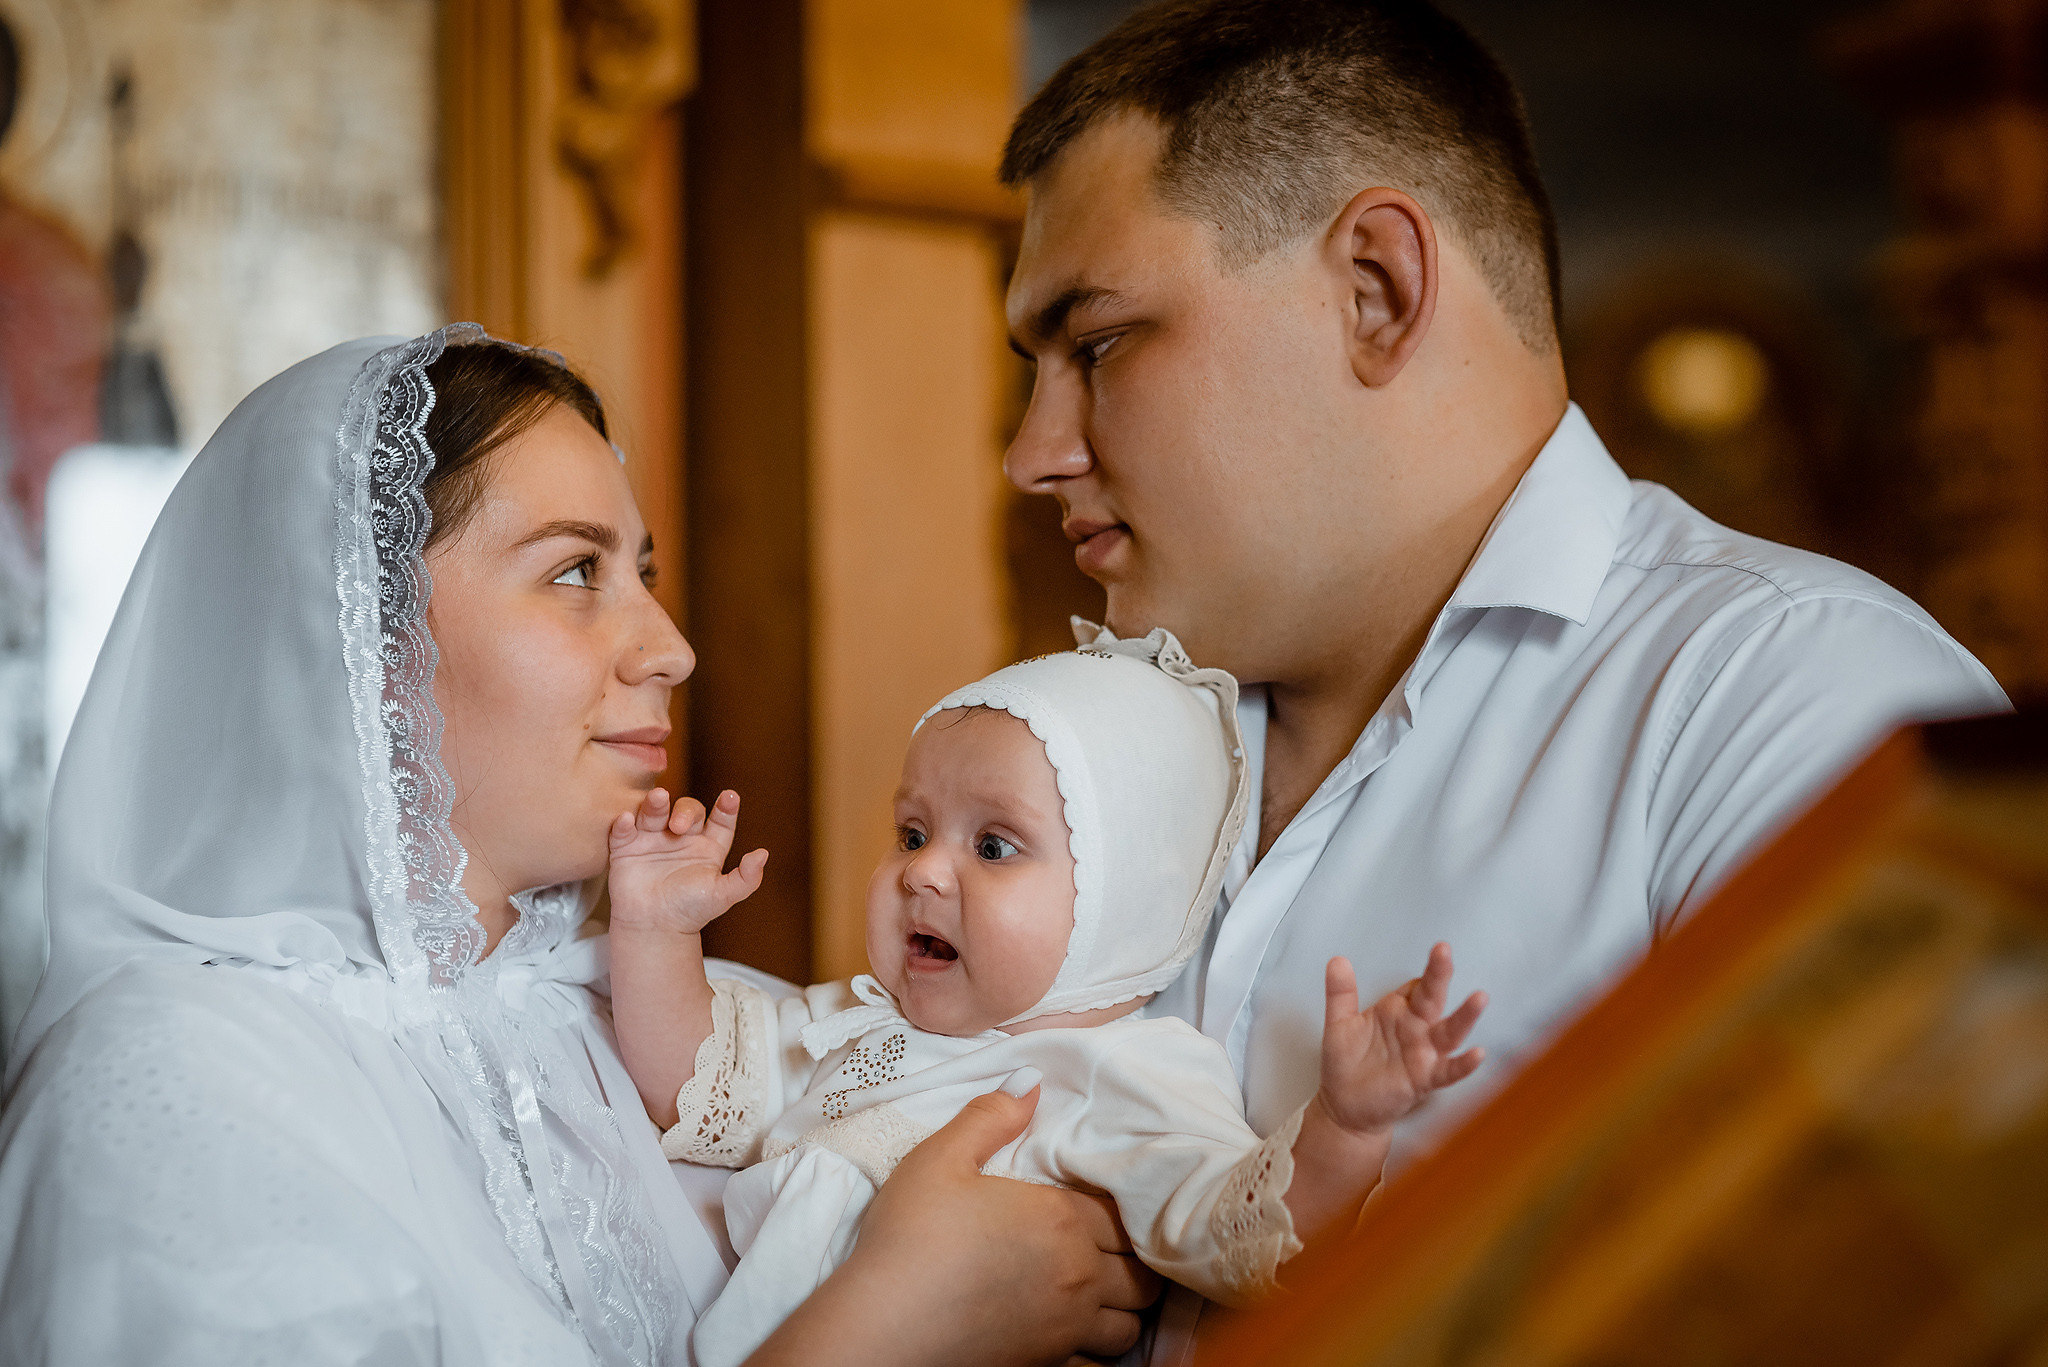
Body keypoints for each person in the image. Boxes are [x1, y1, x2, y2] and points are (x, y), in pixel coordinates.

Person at [998, 0, 2008, 1198]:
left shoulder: (1797, 705)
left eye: (1100, 345)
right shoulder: (1070, 758)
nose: (1031, 453)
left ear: (1374, 289)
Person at [0, 326, 1154, 1366]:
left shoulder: (684, 1029)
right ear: (355, 635)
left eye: (639, 572)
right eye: (572, 571)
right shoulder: (168, 1078)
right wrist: (886, 1327)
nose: (669, 647)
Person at [604, 630, 1489, 1366]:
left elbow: (1243, 1239)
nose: (922, 870)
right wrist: (652, 928)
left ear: (1121, 905)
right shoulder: (858, 1020)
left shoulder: (1124, 1071)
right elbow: (688, 1081)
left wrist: (1347, 1123)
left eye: (993, 846)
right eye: (911, 832)